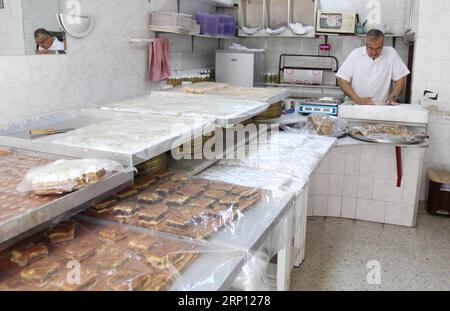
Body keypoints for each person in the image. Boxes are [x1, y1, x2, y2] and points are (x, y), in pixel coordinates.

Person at [336, 29, 410, 105]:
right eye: (370, 48)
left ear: (383, 44)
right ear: (366, 44)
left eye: (378, 48)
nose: (374, 53)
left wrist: (393, 96)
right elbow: (342, 80)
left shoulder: (391, 54)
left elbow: (400, 79)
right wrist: (356, 99)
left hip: (382, 106)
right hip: (357, 105)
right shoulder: (356, 54)